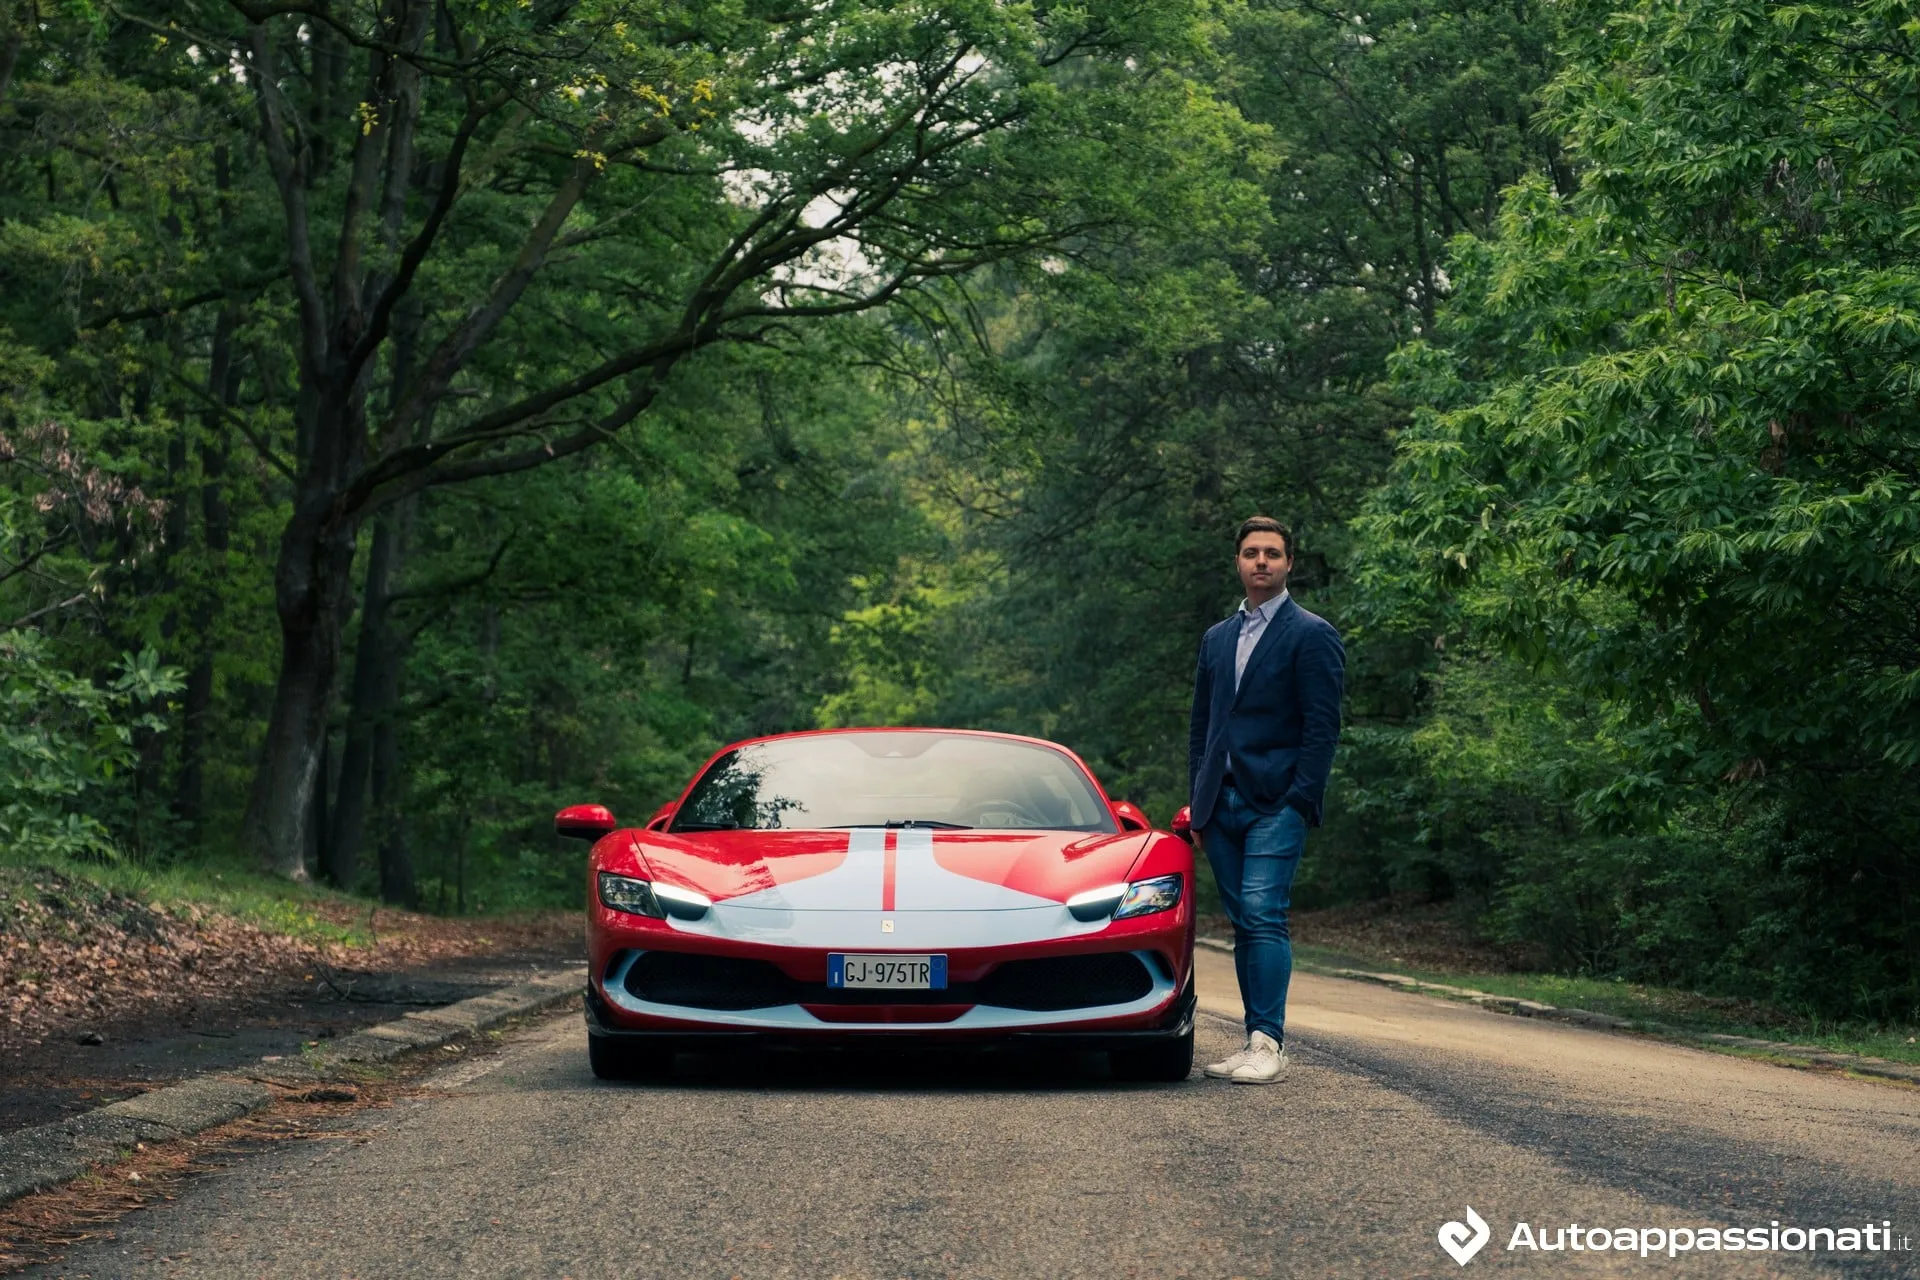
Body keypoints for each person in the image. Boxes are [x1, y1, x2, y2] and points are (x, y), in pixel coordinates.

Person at [1187, 516, 1344, 1084]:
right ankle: (1254, 1037)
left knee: (1262, 913)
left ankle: (1269, 1041)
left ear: (1288, 564)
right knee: (1243, 923)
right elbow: (1201, 727)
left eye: (1272, 553)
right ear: (1238, 561)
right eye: (1251, 552)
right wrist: (1196, 802)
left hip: (1276, 803)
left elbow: (1322, 728)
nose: (1261, 561)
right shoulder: (1216, 638)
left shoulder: (1311, 634)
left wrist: (1301, 798)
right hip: (1219, 805)